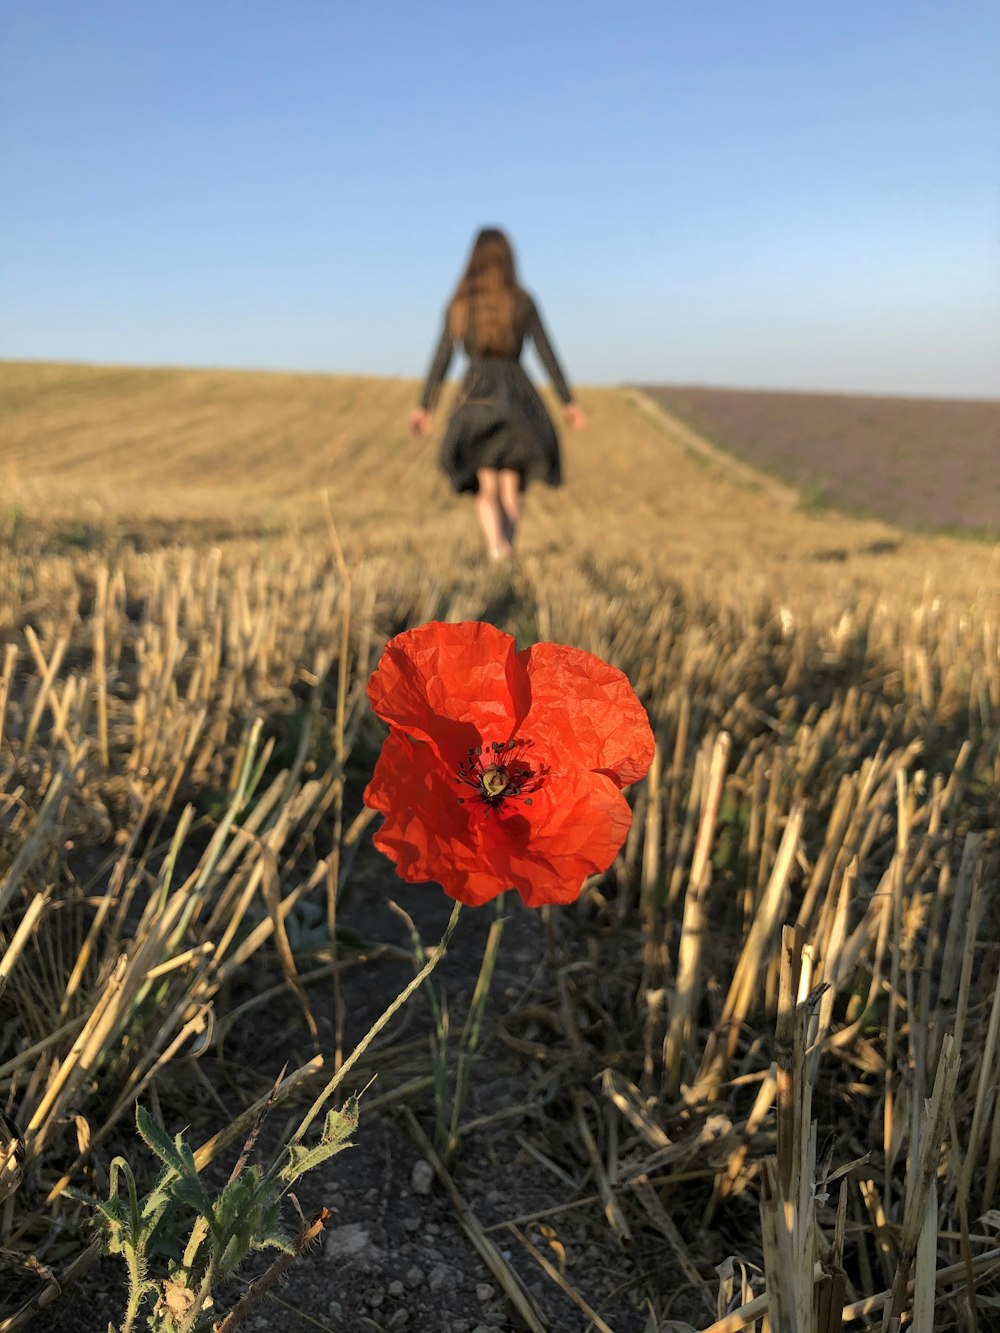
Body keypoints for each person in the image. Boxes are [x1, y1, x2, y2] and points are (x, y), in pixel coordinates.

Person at [409, 227, 586, 561]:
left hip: (476, 397)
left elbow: (442, 355)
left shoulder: (461, 302)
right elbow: (547, 352)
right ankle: (508, 548)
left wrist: (424, 406)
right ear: (508, 259)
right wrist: (568, 401)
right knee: (510, 485)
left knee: (486, 485)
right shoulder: (521, 300)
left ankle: (496, 548)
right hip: (517, 396)